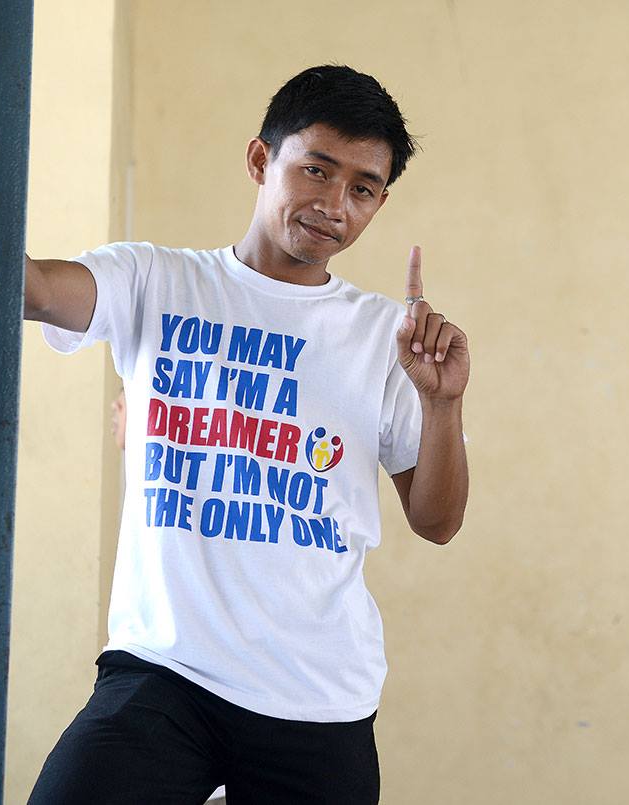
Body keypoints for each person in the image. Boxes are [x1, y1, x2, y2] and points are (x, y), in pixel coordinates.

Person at [23, 64, 470, 804]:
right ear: (261, 160)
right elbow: (38, 289)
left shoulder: (385, 338)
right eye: (316, 169)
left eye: (362, 188)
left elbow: (438, 522)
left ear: (380, 202)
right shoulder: (153, 280)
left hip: (317, 696)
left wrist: (442, 403)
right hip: (164, 672)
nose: (334, 204)